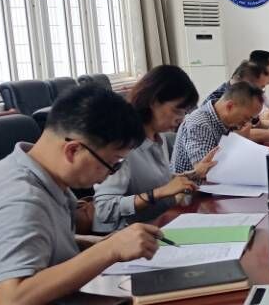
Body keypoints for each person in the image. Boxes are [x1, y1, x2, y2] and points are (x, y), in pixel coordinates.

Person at [0, 84, 162, 305]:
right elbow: (13, 303)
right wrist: (110, 250)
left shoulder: (36, 173)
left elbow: (45, 242)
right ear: (73, 150)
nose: (109, 175)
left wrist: (101, 243)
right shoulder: (21, 199)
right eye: (113, 163)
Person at [93, 65, 219, 232]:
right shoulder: (122, 144)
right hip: (125, 236)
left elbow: (159, 182)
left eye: (184, 112)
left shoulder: (158, 137)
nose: (181, 119)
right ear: (153, 102)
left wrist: (194, 173)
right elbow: (104, 209)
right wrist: (159, 193)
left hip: (160, 225)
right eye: (177, 110)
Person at [203, 60, 269, 142]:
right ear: (242, 81)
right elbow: (244, 133)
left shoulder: (245, 96)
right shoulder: (221, 101)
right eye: (258, 87)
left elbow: (257, 123)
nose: (259, 92)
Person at [171, 81, 266, 174]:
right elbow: (208, 173)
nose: (248, 123)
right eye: (246, 118)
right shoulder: (199, 124)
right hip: (192, 184)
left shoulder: (228, 122)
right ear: (230, 106)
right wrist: (238, 142)